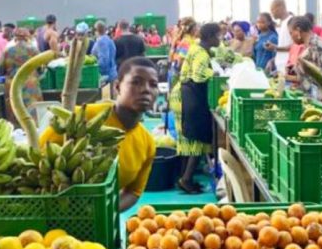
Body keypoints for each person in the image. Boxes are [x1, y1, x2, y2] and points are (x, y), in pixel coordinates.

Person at [40, 57, 159, 211]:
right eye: (136, 82)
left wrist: (104, 211)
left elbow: (134, 192)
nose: (146, 89)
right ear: (117, 87)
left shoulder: (147, 143)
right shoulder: (83, 117)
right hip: (53, 210)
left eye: (153, 84)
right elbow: (39, 152)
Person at [169, 23, 220, 194]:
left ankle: (183, 178)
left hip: (182, 94)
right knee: (197, 139)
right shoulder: (201, 54)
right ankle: (186, 179)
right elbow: (198, 76)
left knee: (187, 139)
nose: (220, 39)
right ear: (211, 36)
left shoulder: (197, 48)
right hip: (189, 97)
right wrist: (216, 74)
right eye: (218, 36)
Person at [288, 17, 322, 100]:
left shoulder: (317, 45)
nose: (291, 37)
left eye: (291, 33)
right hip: (311, 97)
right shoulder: (308, 45)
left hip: (319, 99)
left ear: (298, 30)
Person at [0, 26, 41, 113]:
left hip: (13, 85)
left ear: (14, 37)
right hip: (31, 85)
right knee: (33, 113)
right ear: (27, 37)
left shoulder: (7, 51)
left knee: (15, 112)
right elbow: (41, 67)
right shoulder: (34, 50)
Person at [170, 17, 197, 82]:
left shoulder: (192, 40)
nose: (197, 29)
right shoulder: (186, 41)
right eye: (196, 27)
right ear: (192, 29)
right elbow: (181, 60)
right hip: (182, 75)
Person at [271, 0, 294, 72]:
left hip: (289, 66)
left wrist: (275, 48)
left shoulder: (291, 21)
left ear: (280, 8)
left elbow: (295, 46)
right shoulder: (282, 23)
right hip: (280, 65)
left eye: (273, 10)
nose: (272, 13)